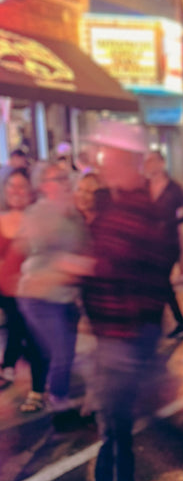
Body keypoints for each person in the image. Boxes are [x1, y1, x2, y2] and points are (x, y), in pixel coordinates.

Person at [63, 122, 177, 481]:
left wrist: (74, 266)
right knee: (119, 417)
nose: (101, 162)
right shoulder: (126, 201)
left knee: (116, 416)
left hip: (122, 331)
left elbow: (114, 263)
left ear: (126, 160)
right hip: (125, 329)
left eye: (107, 155)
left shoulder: (130, 206)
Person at [16, 161, 92, 423]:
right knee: (60, 351)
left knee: (67, 352)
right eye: (56, 178)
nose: (63, 182)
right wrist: (71, 263)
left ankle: (57, 398)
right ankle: (59, 407)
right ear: (44, 186)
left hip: (66, 295)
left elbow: (83, 247)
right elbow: (38, 247)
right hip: (41, 297)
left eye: (64, 178)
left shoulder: (72, 213)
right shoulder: (39, 213)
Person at [0, 169, 49, 409]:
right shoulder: (1, 218)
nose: (16, 192)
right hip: (6, 293)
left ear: (30, 192)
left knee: (34, 340)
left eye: (21, 187)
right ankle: (9, 367)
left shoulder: (38, 220)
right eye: (11, 186)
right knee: (16, 331)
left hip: (32, 292)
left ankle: (37, 391)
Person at [143, 151, 183, 338]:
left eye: (152, 161)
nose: (149, 165)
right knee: (157, 282)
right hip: (148, 243)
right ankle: (172, 321)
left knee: (161, 280)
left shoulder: (174, 189)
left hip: (167, 243)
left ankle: (173, 321)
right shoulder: (143, 187)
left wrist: (170, 222)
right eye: (147, 161)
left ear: (162, 163)